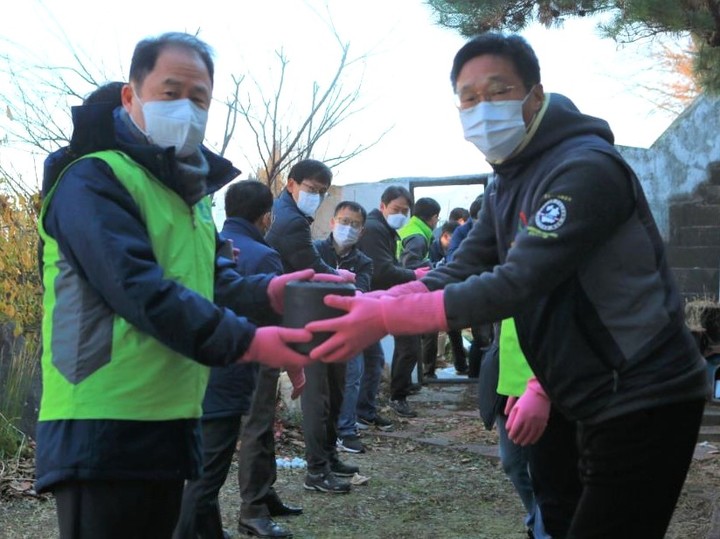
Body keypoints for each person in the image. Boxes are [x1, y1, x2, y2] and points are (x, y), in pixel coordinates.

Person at [306, 32, 709, 539]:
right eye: (468, 98)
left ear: (533, 97)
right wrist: (371, 301)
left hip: (645, 389)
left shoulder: (583, 168)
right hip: (579, 389)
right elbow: (460, 267)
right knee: (555, 512)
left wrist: (385, 319)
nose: (482, 108)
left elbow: (518, 281)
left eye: (497, 91)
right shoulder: (505, 181)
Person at [36, 32, 329, 539]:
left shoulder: (190, 198)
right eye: (170, 93)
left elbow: (213, 282)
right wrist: (251, 342)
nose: (186, 108)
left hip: (171, 418)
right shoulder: (92, 179)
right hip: (101, 423)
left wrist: (270, 294)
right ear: (131, 96)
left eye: (199, 99)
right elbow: (137, 288)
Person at [173, 180, 304, 539]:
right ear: (266, 216)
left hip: (201, 369)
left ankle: (212, 529)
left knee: (205, 467)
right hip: (238, 366)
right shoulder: (262, 255)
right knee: (216, 465)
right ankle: (252, 512)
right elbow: (271, 315)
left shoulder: (215, 245)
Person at [265, 159, 359, 495]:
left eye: (321, 192)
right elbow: (309, 264)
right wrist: (340, 276)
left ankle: (328, 458)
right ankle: (317, 471)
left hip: (307, 313)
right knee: (319, 396)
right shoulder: (289, 220)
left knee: (333, 389)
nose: (315, 197)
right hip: (300, 318)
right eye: (310, 189)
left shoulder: (290, 213)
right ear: (292, 184)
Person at [356, 186, 428, 420]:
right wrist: (415, 275)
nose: (401, 215)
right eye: (396, 209)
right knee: (390, 352)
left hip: (381, 298)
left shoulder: (383, 228)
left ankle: (367, 409)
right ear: (382, 206)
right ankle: (369, 409)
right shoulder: (375, 229)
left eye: (405, 211)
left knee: (377, 358)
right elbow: (382, 270)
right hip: (373, 299)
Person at [313, 201, 373, 454]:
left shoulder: (363, 261)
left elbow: (361, 290)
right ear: (332, 222)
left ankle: (346, 430)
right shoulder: (314, 250)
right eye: (344, 221)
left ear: (362, 231)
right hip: (316, 322)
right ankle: (318, 434)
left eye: (355, 224)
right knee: (317, 382)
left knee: (352, 376)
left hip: (349, 326)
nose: (348, 228)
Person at [396, 197, 441, 386]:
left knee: (407, 347)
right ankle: (399, 394)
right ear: (433, 217)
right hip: (407, 296)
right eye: (437, 219)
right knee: (409, 348)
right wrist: (432, 268)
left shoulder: (410, 229)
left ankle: (404, 386)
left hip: (402, 293)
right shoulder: (418, 236)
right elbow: (411, 266)